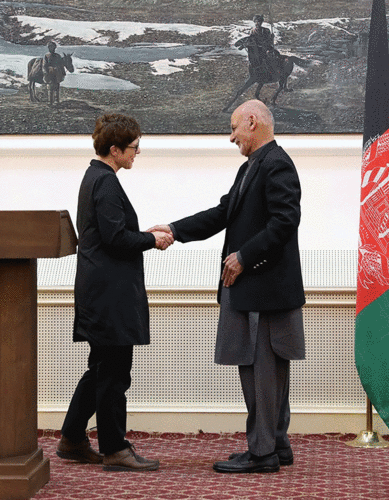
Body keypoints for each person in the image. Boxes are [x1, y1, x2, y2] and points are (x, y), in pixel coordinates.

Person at [149, 100, 306, 474]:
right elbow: (223, 213)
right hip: (258, 289)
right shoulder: (251, 167)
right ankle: (275, 444)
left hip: (263, 290)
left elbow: (286, 221)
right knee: (264, 371)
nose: (231, 135)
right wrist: (175, 229)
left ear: (252, 122)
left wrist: (244, 257)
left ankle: (263, 452)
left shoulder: (276, 164)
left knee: (262, 372)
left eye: (234, 127)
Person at [57, 113, 173, 472]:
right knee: (113, 373)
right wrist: (152, 240)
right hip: (108, 296)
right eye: (134, 147)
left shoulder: (97, 176)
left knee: (100, 370)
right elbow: (115, 238)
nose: (137, 153)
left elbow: (113, 233)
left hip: (101, 292)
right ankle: (114, 448)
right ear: (115, 149)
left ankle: (72, 439)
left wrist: (146, 236)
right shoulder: (105, 182)